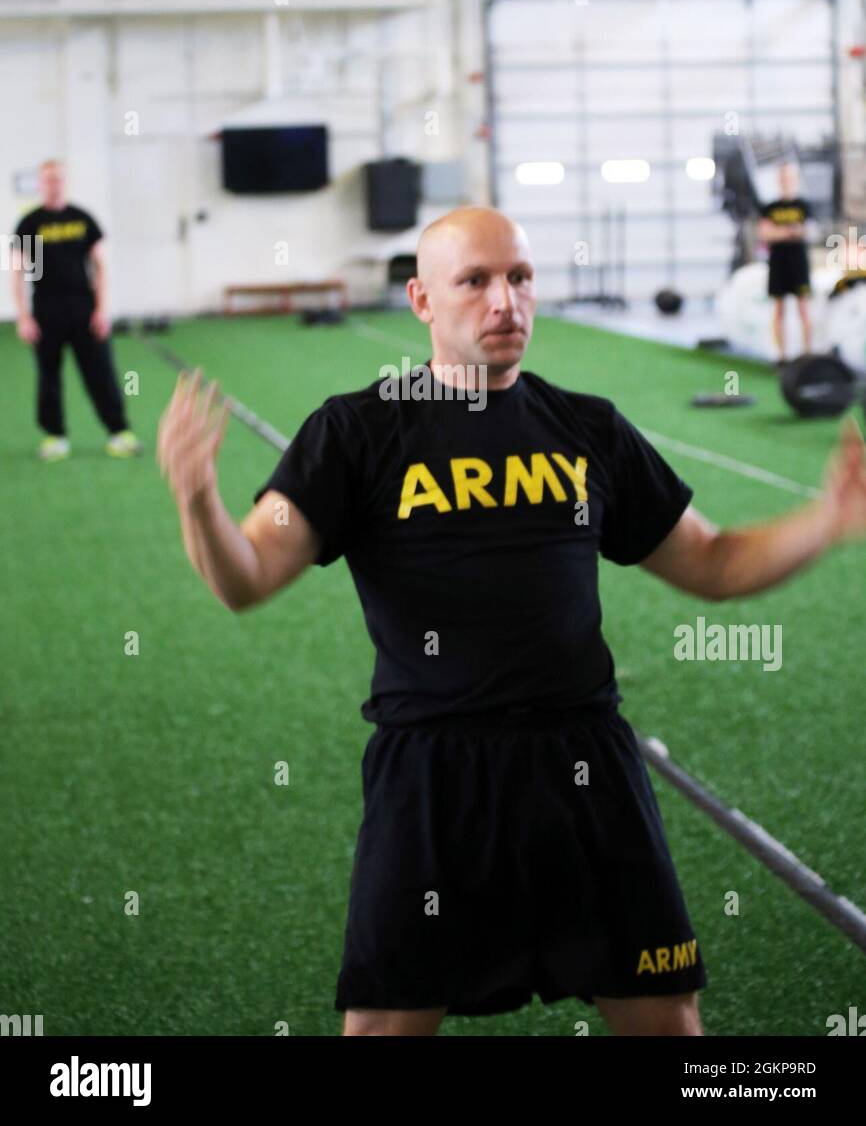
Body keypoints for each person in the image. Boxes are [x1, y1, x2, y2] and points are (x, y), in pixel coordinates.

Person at [157, 206, 866, 1037]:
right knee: (384, 1025)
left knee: (668, 1017)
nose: (506, 302)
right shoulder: (354, 431)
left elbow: (710, 564)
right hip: (433, 771)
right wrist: (199, 501)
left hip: (585, 759)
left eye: (521, 278)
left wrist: (825, 519)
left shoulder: (587, 427)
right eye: (477, 282)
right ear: (423, 301)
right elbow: (245, 578)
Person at [11, 159, 142, 461]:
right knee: (48, 376)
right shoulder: (29, 223)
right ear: (40, 184)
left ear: (64, 182)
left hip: (84, 309)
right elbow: (15, 271)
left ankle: (118, 432)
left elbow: (100, 267)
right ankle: (55, 436)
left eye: (58, 178)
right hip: (45, 311)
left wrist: (102, 309)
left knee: (100, 372)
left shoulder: (82, 219)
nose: (53, 184)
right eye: (47, 179)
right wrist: (23, 316)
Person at [757, 159, 813, 366]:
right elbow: (765, 234)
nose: (786, 181)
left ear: (795, 180)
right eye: (783, 178)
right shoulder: (770, 207)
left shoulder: (803, 206)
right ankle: (782, 357)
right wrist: (789, 232)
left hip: (798, 262)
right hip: (778, 262)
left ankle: (808, 354)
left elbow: (806, 231)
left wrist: (781, 232)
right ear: (778, 181)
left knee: (804, 308)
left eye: (790, 178)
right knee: (779, 309)